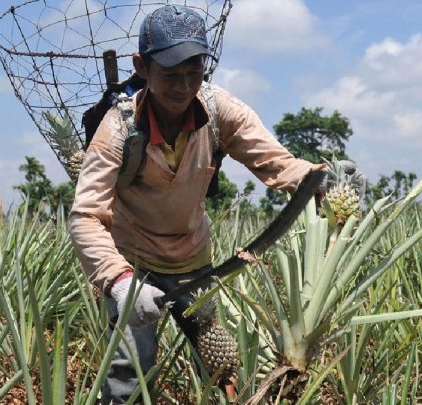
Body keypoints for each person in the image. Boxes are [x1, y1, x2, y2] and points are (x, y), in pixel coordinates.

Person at [67, 4, 327, 403]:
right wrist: (119, 283)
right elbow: (85, 215)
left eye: (194, 73)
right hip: (131, 261)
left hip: (192, 260)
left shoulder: (222, 110)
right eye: (170, 74)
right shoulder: (118, 128)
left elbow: (279, 165)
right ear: (142, 67)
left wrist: (320, 178)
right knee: (131, 367)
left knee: (220, 360)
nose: (183, 86)